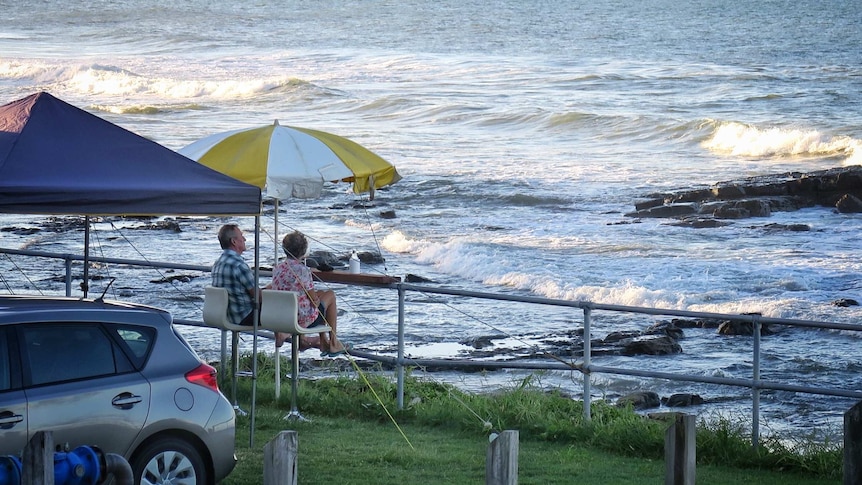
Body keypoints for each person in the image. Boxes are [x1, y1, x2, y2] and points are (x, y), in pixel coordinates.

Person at [270, 231, 348, 356]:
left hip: (283, 317)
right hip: (301, 320)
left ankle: (322, 341)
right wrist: (317, 300)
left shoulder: (277, 268)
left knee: (322, 294)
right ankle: (333, 343)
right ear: (303, 250)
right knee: (330, 296)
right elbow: (314, 300)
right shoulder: (303, 270)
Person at [211, 223, 258, 326]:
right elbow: (258, 296)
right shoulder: (238, 265)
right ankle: (293, 337)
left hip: (225, 316)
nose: (245, 239)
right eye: (242, 236)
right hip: (243, 316)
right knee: (282, 307)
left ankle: (288, 335)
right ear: (234, 241)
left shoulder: (217, 263)